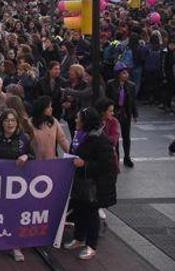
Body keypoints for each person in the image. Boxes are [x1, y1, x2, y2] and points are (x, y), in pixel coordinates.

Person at [64, 107, 118, 260]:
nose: (75, 120)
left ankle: (91, 246)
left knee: (91, 214)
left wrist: (85, 164)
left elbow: (107, 165)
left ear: (85, 121)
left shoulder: (100, 139)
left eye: (78, 118)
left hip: (94, 185)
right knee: (79, 210)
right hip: (80, 182)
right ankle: (79, 238)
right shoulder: (79, 135)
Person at [0, 108, 34, 261]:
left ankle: (14, 245)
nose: (10, 123)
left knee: (13, 214)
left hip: (16, 184)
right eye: (7, 120)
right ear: (2, 122)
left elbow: (33, 156)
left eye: (13, 120)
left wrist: (27, 156)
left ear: (17, 123)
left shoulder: (23, 138)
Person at [105, 62, 137, 167]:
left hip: (125, 113)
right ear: (118, 74)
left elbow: (133, 101)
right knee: (115, 136)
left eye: (126, 73)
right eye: (123, 73)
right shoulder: (111, 84)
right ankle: (116, 158)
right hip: (114, 112)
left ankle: (127, 157)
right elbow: (107, 99)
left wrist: (135, 114)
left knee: (126, 136)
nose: (126, 75)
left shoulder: (131, 85)